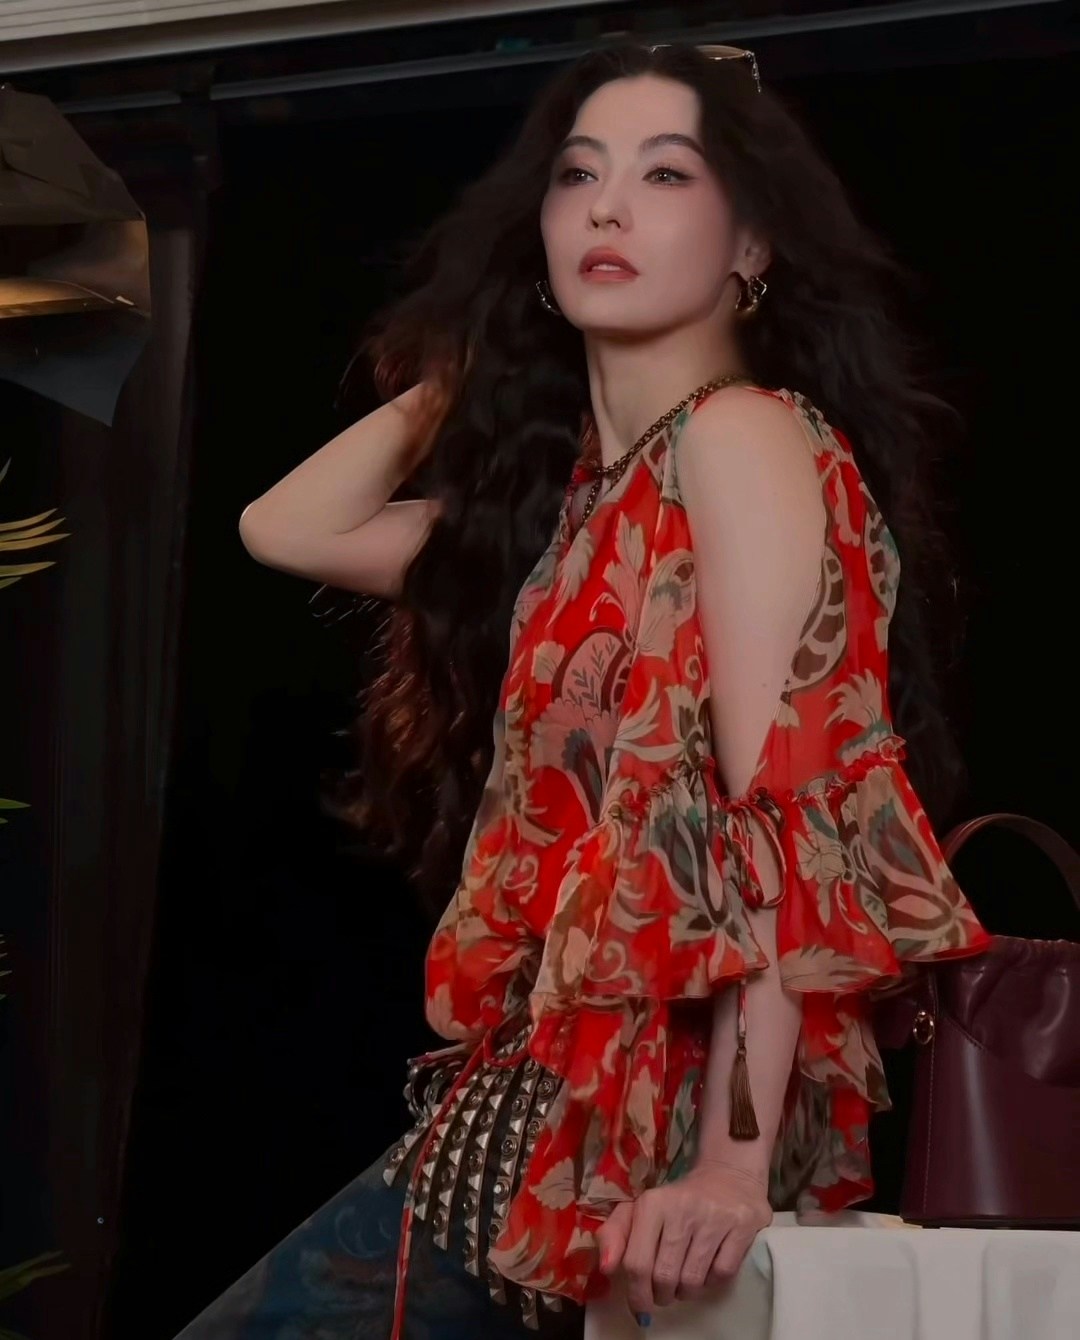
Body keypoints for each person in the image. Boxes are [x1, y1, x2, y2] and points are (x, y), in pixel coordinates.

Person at [178, 38, 991, 1340]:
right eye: (576, 175)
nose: (607, 206)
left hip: (648, 1120)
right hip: (534, 1101)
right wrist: (480, 358)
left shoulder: (740, 437)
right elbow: (284, 527)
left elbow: (782, 803)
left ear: (752, 246)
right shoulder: (582, 516)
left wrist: (732, 1162)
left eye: (666, 173)